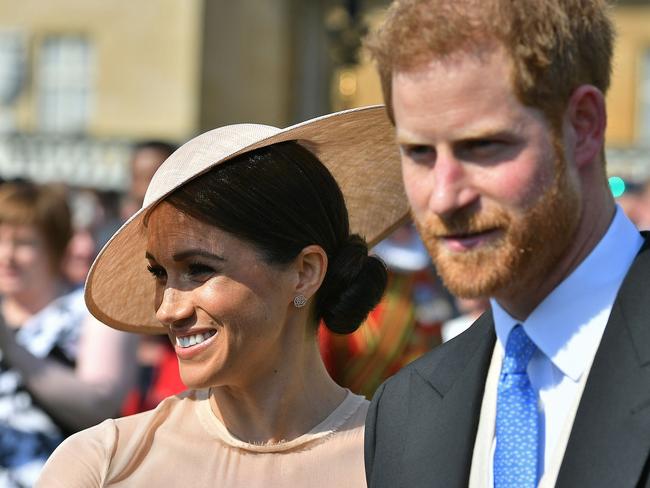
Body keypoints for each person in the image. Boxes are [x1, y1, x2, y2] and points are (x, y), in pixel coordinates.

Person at [37, 106, 408, 487]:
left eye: (200, 269)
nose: (168, 309)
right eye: (159, 274)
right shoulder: (102, 464)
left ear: (305, 272)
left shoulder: (405, 461)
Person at [363, 1, 650, 487]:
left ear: (583, 125)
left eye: (482, 146)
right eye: (418, 153)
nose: (443, 196)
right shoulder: (403, 412)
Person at [0, 181, 137, 487]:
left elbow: (99, 407)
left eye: (23, 243)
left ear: (56, 246)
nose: (6, 255)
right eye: (0, 240)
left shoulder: (92, 310)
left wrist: (10, 346)